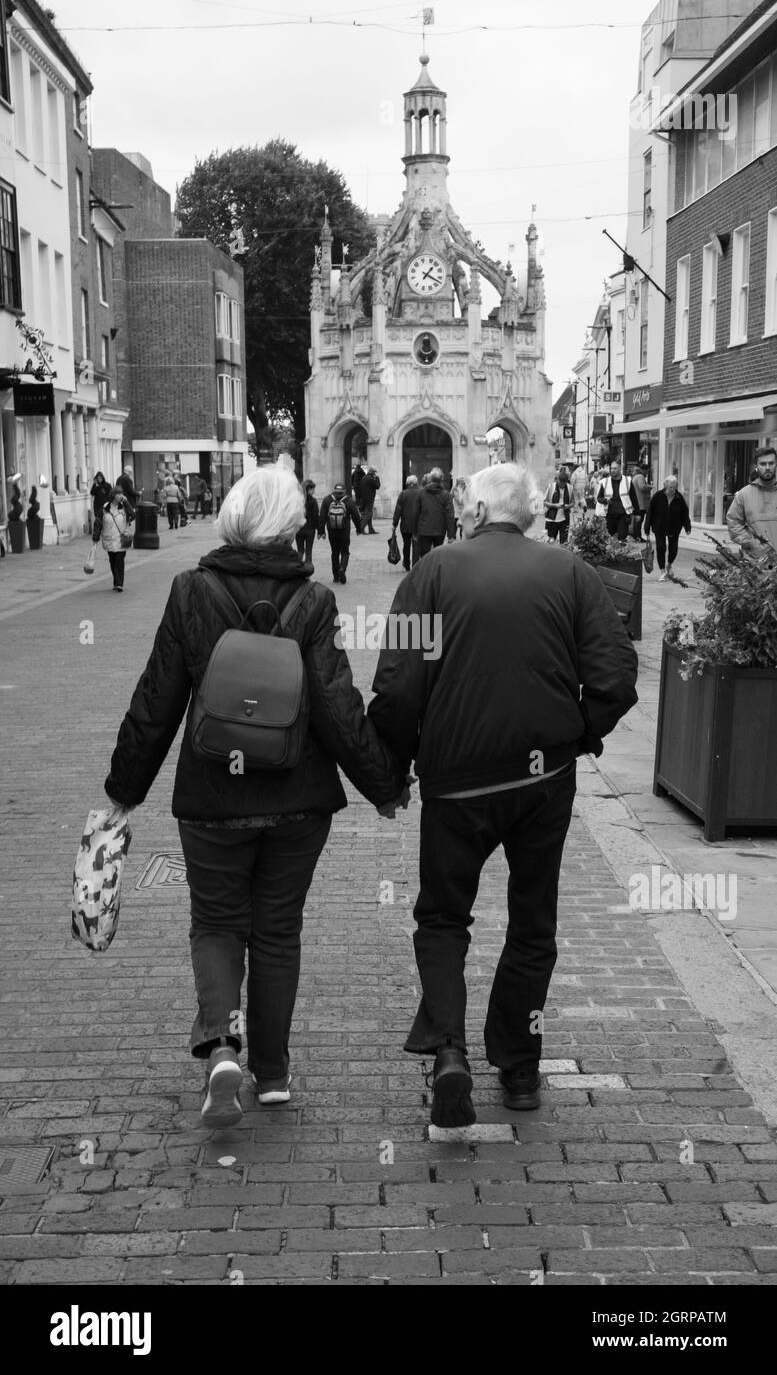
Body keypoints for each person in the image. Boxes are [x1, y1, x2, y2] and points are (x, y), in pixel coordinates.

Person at [103, 466, 408, 1128]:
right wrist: (382, 786)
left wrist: (124, 790)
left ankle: (221, 1046)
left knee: (215, 924)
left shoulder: (190, 590)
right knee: (277, 932)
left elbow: (157, 698)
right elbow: (336, 706)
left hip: (212, 795)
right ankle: (271, 1073)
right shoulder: (314, 601)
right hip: (298, 799)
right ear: (293, 525)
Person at [368, 462, 638, 1127]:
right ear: (530, 509)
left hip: (456, 779)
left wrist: (390, 772)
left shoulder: (428, 575)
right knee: (532, 920)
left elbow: (398, 686)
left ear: (472, 507)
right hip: (540, 779)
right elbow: (614, 676)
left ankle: (450, 1052)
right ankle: (517, 1066)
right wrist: (579, 734)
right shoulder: (570, 573)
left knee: (441, 917)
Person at [726, 445, 777, 557]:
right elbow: (733, 522)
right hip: (755, 564)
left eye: (771, 463)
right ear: (756, 466)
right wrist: (752, 544)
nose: (767, 467)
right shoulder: (744, 495)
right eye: (763, 464)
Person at [644, 476, 691, 580]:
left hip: (674, 527)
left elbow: (684, 513)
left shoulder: (679, 497)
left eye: (674, 487)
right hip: (659, 526)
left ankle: (669, 565)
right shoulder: (658, 496)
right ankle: (662, 572)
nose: (672, 489)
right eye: (670, 487)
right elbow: (650, 512)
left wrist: (687, 526)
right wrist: (647, 527)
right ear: (665, 486)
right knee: (661, 548)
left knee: (673, 549)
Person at [318, 481, 362, 584]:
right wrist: (358, 529)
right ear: (344, 491)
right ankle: (342, 568)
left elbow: (322, 516)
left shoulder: (327, 500)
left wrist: (321, 531)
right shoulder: (349, 500)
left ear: (334, 490)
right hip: (344, 531)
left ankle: (336, 576)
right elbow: (356, 516)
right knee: (345, 552)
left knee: (334, 552)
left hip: (331, 531)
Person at [409, 466, 455, 558]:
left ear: (431, 479)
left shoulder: (421, 493)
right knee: (438, 554)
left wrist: (414, 531)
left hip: (424, 530)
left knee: (425, 556)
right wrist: (451, 535)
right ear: (442, 479)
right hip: (440, 530)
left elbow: (415, 513)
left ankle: (426, 571)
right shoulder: (446, 495)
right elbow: (449, 516)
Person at [595, 460, 640, 541]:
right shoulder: (605, 482)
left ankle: (621, 552)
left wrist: (637, 513)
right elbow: (599, 498)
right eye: (611, 468)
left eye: (615, 468)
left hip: (623, 514)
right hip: (609, 515)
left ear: (620, 469)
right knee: (608, 539)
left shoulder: (627, 481)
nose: (613, 470)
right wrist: (606, 500)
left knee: (622, 538)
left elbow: (634, 498)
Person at [101, 488, 131, 592]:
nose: (121, 496)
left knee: (119, 560)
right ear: (113, 495)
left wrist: (126, 503)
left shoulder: (124, 507)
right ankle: (116, 580)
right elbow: (99, 521)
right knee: (113, 561)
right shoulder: (106, 507)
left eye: (122, 493)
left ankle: (119, 584)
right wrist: (95, 536)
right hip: (109, 537)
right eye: (118, 494)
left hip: (122, 538)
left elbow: (133, 515)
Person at [392, 475, 421, 570]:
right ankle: (415, 564)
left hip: (405, 524)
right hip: (418, 524)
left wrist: (394, 524)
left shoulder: (403, 494)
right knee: (416, 544)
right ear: (416, 483)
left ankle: (406, 563)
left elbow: (398, 510)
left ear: (407, 483)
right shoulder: (421, 493)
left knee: (406, 544)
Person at [543, 465, 572, 544]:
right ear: (558, 480)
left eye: (563, 484)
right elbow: (544, 502)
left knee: (564, 543)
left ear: (566, 482)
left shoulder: (570, 488)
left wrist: (568, 506)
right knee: (551, 542)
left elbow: (573, 503)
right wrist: (555, 505)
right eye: (560, 483)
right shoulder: (551, 487)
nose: (561, 485)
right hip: (552, 519)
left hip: (564, 520)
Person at [296, 480, 319, 565]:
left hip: (299, 529)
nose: (314, 491)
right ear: (309, 489)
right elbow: (316, 517)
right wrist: (320, 531)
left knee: (300, 551)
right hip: (310, 530)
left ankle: (297, 571)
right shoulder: (313, 501)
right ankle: (307, 575)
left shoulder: (297, 500)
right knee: (308, 552)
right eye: (313, 489)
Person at [630, 462, 652, 539]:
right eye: (647, 470)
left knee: (637, 520)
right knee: (640, 521)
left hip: (637, 502)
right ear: (644, 470)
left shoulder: (635, 477)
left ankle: (635, 536)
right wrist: (651, 486)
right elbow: (642, 487)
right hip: (641, 503)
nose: (647, 472)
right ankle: (638, 536)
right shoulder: (640, 477)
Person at [90, 472, 112, 543]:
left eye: (100, 478)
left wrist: (109, 503)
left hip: (105, 505)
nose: (99, 479)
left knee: (105, 519)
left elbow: (111, 494)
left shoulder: (107, 485)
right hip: (97, 506)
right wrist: (94, 484)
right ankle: (98, 534)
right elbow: (92, 493)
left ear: (102, 478)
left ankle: (106, 532)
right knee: (98, 520)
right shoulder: (96, 486)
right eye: (98, 478)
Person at [358, 466, 381, 534]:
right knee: (369, 514)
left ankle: (371, 529)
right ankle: (361, 528)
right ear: (372, 472)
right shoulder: (370, 479)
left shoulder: (364, 477)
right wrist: (377, 478)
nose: (375, 474)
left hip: (364, 499)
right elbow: (377, 486)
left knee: (367, 514)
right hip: (369, 499)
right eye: (374, 473)